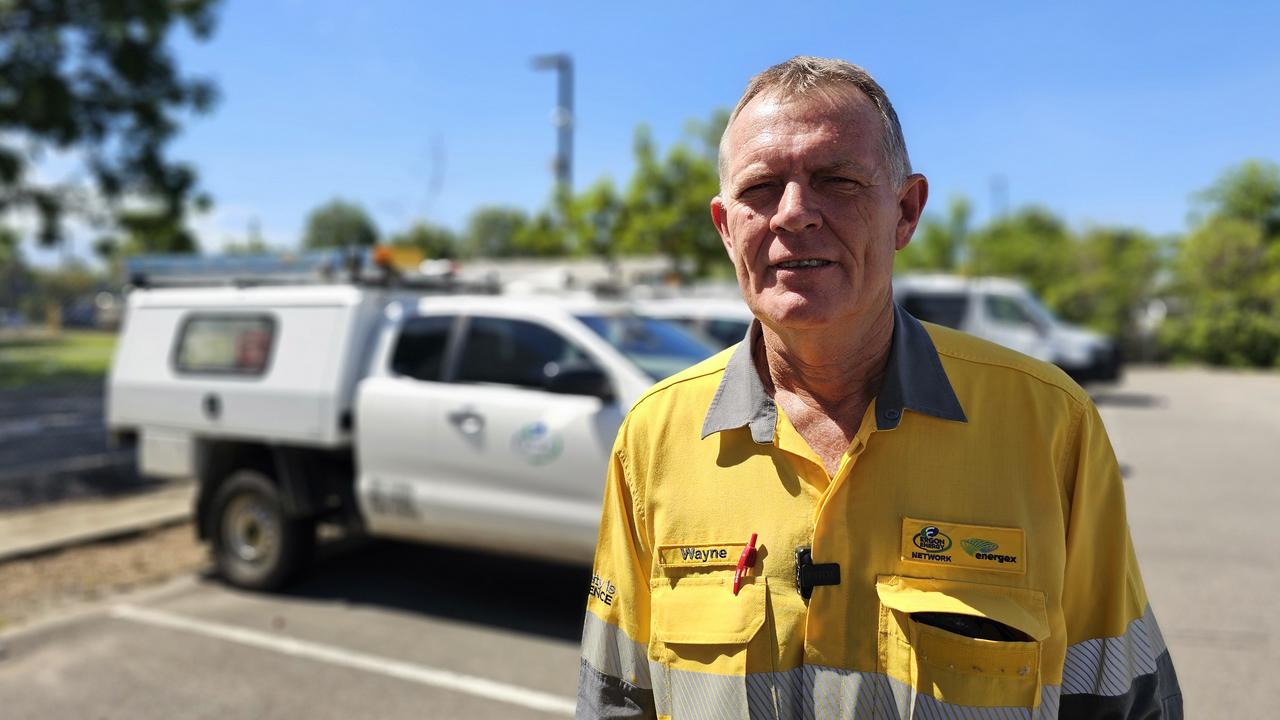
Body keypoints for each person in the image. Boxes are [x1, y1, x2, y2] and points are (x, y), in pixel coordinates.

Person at [577, 56, 1181, 719]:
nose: (794, 214)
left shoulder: (1050, 425)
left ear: (906, 211)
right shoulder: (655, 437)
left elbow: (1124, 701)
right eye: (761, 188)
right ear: (726, 229)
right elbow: (616, 699)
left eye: (837, 180)